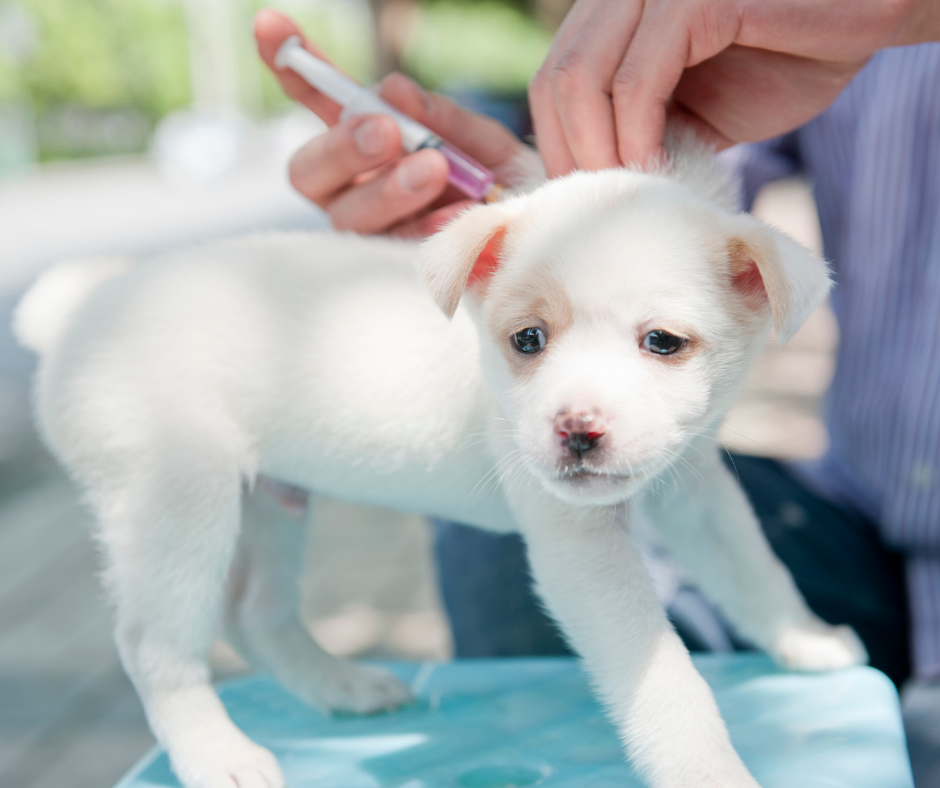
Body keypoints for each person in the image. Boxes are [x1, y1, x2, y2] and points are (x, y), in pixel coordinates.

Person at [254, 3, 940, 784]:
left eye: (663, 344)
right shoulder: (796, 42)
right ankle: (536, 751)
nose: (582, 412)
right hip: (853, 511)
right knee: (523, 480)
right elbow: (671, 205)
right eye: (530, 341)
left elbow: (736, 270)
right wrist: (539, 198)